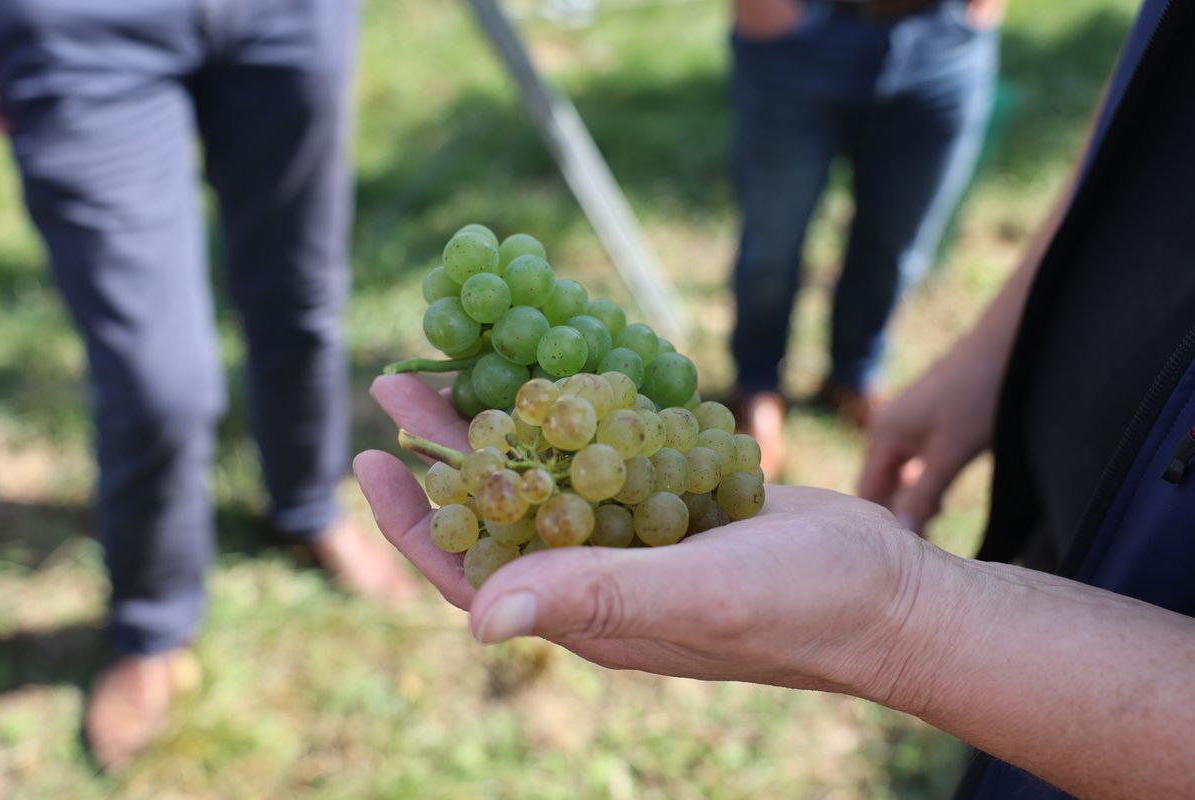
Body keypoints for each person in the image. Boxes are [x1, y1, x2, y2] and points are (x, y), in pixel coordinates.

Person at [355, 0, 1195, 796]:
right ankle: (768, 379)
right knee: (771, 253)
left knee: (889, 251)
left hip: (1145, 577)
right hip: (1088, 491)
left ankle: (851, 366)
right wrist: (1000, 353)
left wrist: (902, 618)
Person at [0, 0, 416, 772]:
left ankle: (307, 504)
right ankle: (152, 624)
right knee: (157, 384)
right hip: (77, 28)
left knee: (302, 300)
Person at [729, 0, 1002, 476]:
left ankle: (855, 375)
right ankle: (757, 386)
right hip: (797, 29)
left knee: (896, 249)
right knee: (772, 247)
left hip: (944, 35)